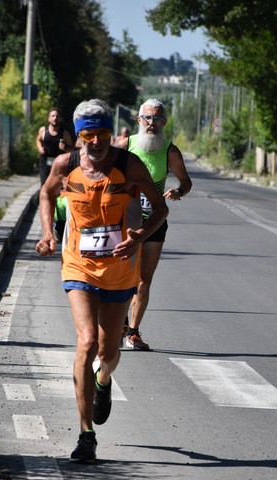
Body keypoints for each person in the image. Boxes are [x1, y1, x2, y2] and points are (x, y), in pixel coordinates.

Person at [35, 99, 168, 463]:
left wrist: (139, 236)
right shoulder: (66, 165)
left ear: (111, 133)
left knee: (108, 353)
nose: (95, 143)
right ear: (77, 137)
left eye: (103, 134)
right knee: (86, 342)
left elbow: (160, 208)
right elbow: (46, 193)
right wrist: (48, 233)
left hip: (120, 268)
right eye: (88, 135)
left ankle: (103, 380)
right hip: (78, 264)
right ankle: (85, 435)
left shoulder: (130, 165)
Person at [114, 98, 192, 350]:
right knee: (123, 275)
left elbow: (186, 181)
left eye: (157, 119)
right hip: (126, 220)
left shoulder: (170, 151)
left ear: (164, 122)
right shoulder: (126, 145)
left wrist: (179, 191)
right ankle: (120, 323)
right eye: (147, 118)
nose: (152, 123)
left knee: (144, 279)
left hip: (155, 221)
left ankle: (133, 332)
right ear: (139, 120)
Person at [36, 108, 74, 186]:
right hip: (45, 163)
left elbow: (72, 149)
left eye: (57, 116)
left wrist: (65, 148)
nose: (55, 118)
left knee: (57, 187)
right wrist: (40, 148)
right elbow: (38, 140)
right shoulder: (43, 130)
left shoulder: (64, 133)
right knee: (44, 186)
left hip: (59, 165)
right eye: (53, 116)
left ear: (60, 119)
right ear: (49, 119)